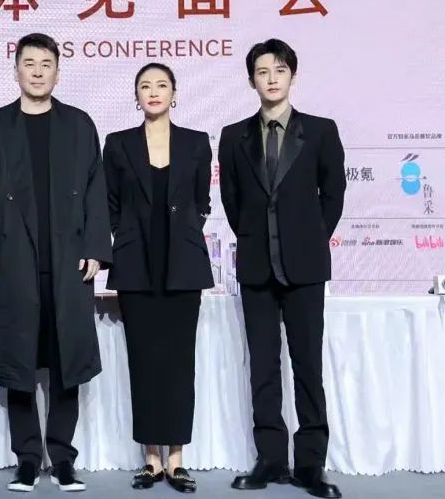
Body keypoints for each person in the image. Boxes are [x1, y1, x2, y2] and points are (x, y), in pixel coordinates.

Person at [0, 33, 112, 493]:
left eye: (46, 64)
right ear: (16, 71)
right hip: (11, 260)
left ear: (57, 73)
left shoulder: (79, 124)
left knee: (67, 362)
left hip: (69, 260)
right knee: (19, 362)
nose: (37, 71)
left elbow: (96, 189)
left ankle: (63, 458)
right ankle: (27, 459)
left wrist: (96, 247)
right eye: (29, 63)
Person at [218, 39, 346, 499]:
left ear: (292, 75)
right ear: (251, 80)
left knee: (308, 365)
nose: (271, 79)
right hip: (256, 266)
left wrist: (308, 237)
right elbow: (232, 201)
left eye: (279, 70)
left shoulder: (321, 131)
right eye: (262, 71)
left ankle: (311, 463)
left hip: (305, 268)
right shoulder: (233, 136)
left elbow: (334, 194)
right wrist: (257, 239)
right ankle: (270, 458)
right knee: (264, 367)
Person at [103, 63, 213, 493]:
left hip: (183, 265)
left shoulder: (196, 142)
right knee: (144, 362)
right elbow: (111, 203)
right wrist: (128, 237)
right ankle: (151, 458)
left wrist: (183, 233)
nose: (153, 91)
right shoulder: (118, 144)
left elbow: (201, 201)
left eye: (161, 85)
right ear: (136, 96)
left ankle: (177, 459)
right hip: (136, 266)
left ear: (174, 93)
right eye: (145, 86)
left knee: (180, 363)